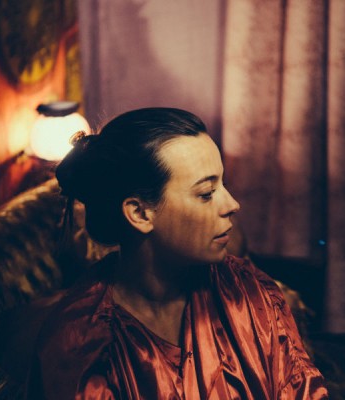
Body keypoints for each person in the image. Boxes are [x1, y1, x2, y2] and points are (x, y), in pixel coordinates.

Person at [26, 108, 328, 399]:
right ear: (140, 213)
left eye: (223, 184)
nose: (232, 204)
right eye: (206, 194)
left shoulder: (249, 292)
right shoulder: (84, 347)